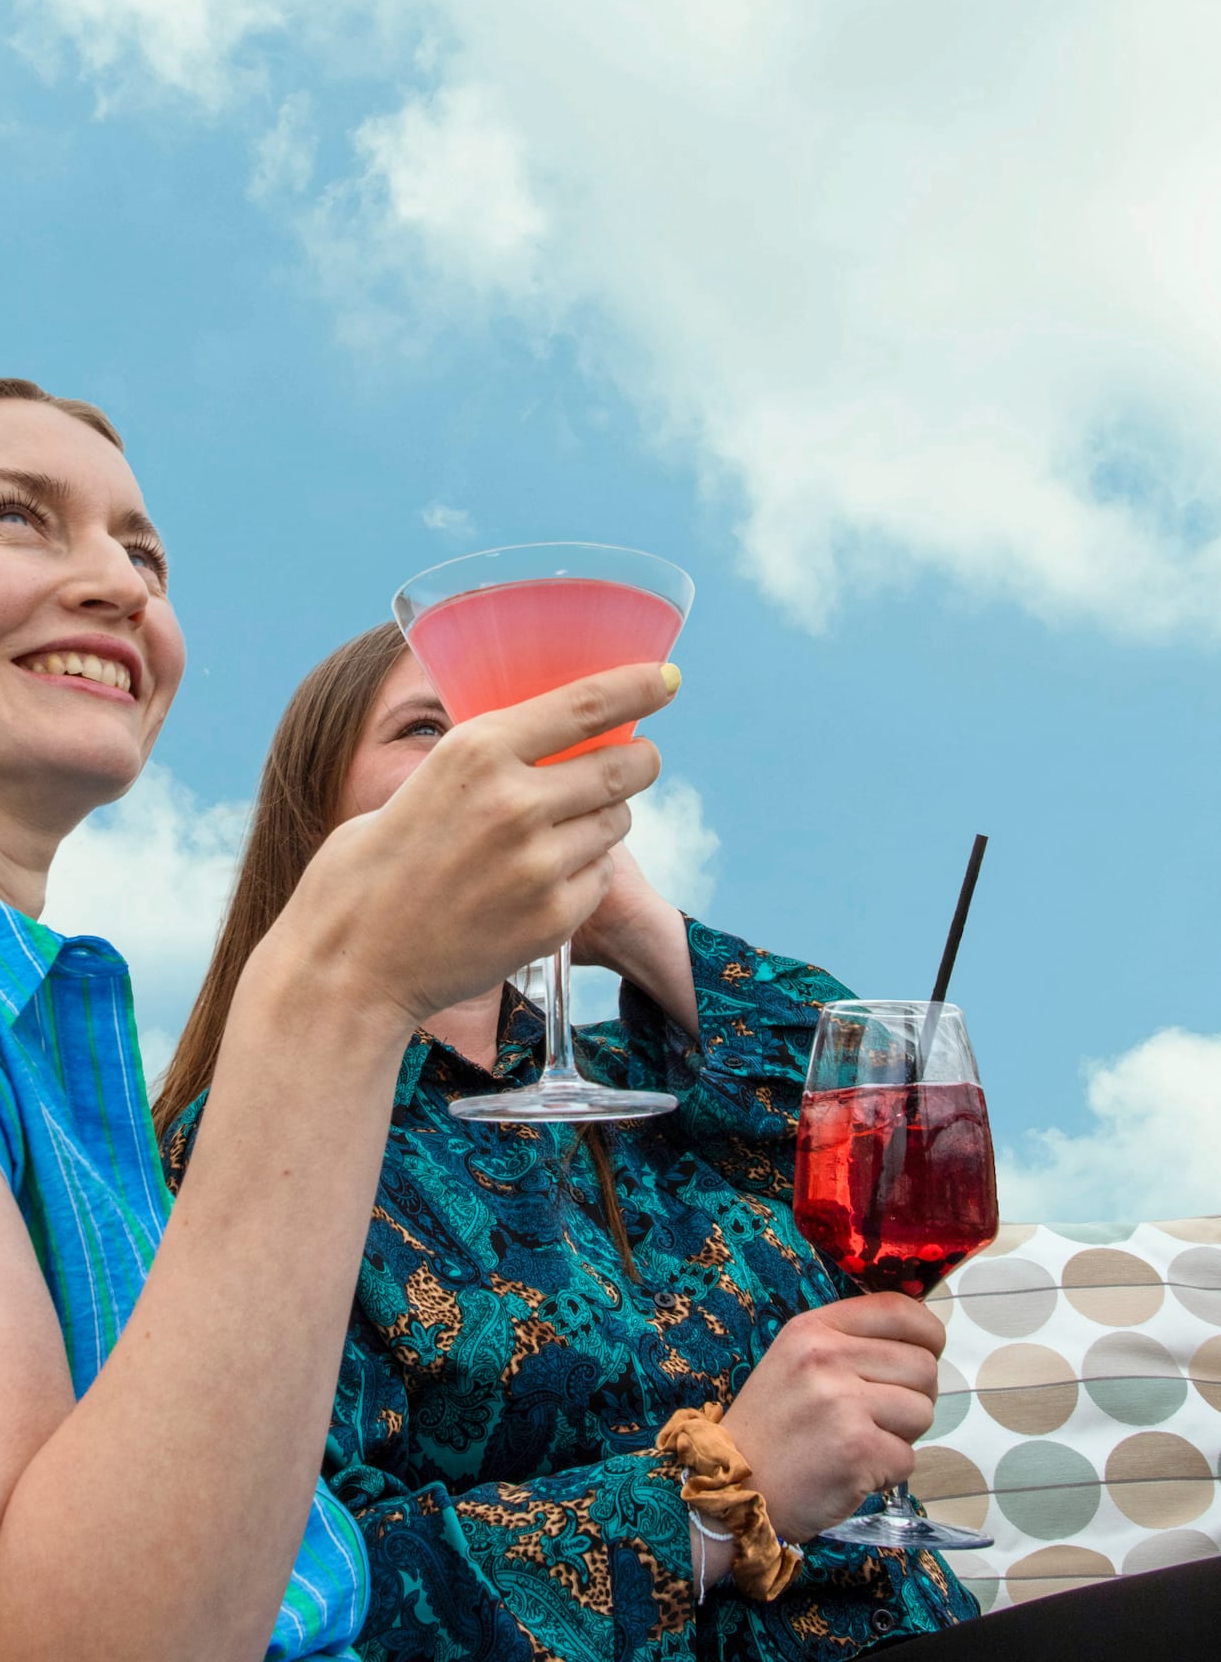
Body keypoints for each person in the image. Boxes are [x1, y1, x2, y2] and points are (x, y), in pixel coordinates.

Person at [0, 379, 675, 1662]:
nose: (121, 583)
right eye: (19, 516)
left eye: (142, 551)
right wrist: (337, 988)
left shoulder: (30, 1017)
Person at [157, 625, 978, 1660]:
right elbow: (289, 1590)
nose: (494, 770)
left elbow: (879, 1116)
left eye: (518, 741)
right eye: (431, 731)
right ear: (316, 821)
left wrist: (624, 913)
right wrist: (714, 1494)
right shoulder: (243, 1152)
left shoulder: (661, 1077)